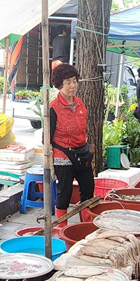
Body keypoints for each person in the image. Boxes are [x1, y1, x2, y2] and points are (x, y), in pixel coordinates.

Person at [50, 63, 95, 224]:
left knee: (88, 189)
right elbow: (47, 138)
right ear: (59, 85)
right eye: (68, 82)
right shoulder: (53, 108)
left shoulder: (80, 103)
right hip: (63, 154)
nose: (72, 86)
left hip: (82, 151)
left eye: (74, 81)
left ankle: (86, 225)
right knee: (65, 192)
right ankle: (61, 229)